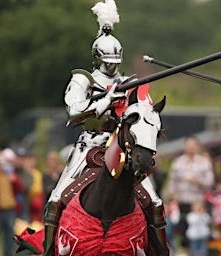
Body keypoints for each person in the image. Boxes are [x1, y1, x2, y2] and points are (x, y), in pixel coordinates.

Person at [42, 0, 167, 253]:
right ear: (97, 59)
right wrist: (104, 100)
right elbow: (74, 112)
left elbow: (144, 113)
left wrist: (134, 102)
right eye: (107, 62)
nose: (112, 67)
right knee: (56, 198)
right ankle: (47, 251)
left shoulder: (128, 82)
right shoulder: (82, 79)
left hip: (121, 146)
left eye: (115, 62)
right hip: (89, 144)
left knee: (154, 201)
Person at [167, 136, 215, 248]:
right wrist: (173, 195)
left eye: (193, 145)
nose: (191, 148)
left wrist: (199, 182)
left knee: (200, 233)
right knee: (183, 233)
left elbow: (210, 181)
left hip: (198, 204)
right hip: (182, 202)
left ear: (197, 146)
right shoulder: (177, 162)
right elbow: (172, 181)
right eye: (188, 145)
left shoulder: (204, 162)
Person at [0, 150, 24, 256]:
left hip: (10, 210)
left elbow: (20, 188)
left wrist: (14, 180)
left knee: (9, 238)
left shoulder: (10, 172)